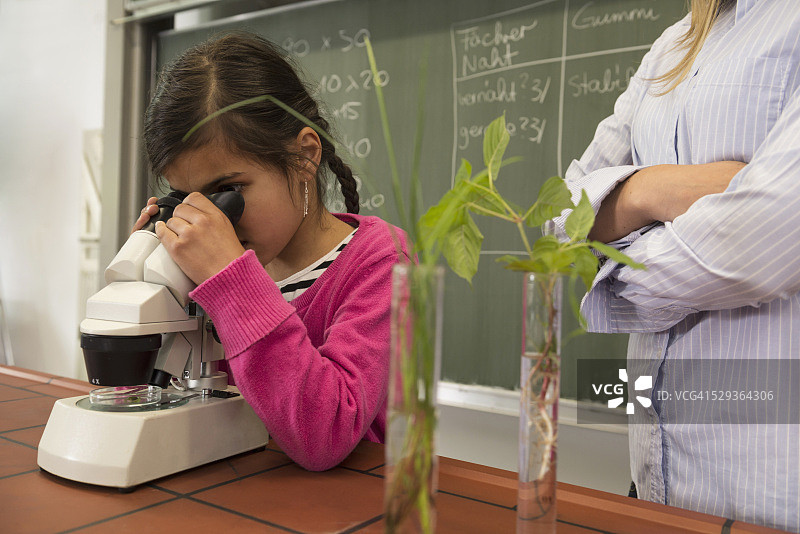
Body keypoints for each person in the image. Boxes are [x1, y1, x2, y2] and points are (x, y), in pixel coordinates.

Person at [551, 0, 800, 531]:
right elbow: (560, 220)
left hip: (769, 495)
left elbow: (760, 243)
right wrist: (653, 191)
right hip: (653, 482)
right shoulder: (673, 45)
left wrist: (611, 258)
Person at [133, 31, 410, 471]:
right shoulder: (204, 266)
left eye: (228, 191)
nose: (212, 220)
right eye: (186, 198)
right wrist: (152, 281)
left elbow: (325, 435)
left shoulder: (380, 261)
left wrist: (232, 285)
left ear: (304, 156)